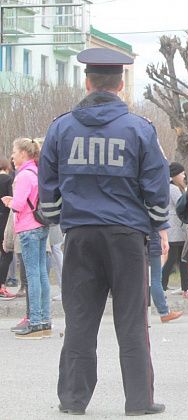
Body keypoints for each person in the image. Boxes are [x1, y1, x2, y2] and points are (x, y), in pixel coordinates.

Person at [38, 48, 169, 416]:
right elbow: (157, 190)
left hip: (79, 236)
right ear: (121, 84)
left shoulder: (61, 127)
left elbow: (48, 188)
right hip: (127, 238)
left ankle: (73, 401)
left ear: (87, 81)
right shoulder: (140, 129)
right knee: (131, 322)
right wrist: (155, 224)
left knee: (80, 320)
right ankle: (139, 402)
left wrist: (62, 217)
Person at [1, 138, 50, 339]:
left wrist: (10, 202)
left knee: (32, 275)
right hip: (41, 226)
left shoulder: (23, 176)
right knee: (41, 273)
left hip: (28, 228)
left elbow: (19, 204)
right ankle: (45, 319)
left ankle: (36, 321)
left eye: (14, 151)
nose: (12, 156)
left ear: (23, 153)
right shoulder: (38, 172)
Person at [161, 162, 188, 295]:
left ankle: (185, 287)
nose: (184, 175)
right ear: (174, 175)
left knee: (181, 258)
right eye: (181, 173)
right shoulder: (173, 188)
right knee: (175, 258)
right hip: (175, 228)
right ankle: (163, 285)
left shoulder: (173, 187)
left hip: (177, 228)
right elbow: (181, 204)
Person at [149, 224, 183, 323]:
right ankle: (164, 312)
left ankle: (133, 313)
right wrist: (164, 239)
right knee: (155, 278)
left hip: (133, 237)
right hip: (151, 238)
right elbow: (159, 220)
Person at [0, 157, 15, 300]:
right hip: (4, 219)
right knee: (6, 253)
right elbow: (12, 200)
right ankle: (1, 285)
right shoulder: (7, 179)